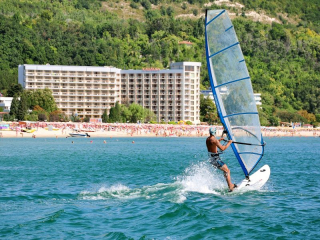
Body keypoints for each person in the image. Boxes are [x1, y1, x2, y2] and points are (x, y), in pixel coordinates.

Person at [206, 127, 237, 192]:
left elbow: (212, 145)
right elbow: (222, 148)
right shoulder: (214, 140)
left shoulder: (208, 139)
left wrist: (219, 141)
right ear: (215, 132)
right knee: (227, 171)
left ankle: (230, 185)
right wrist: (229, 142)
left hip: (211, 159)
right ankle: (230, 187)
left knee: (225, 170)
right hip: (216, 159)